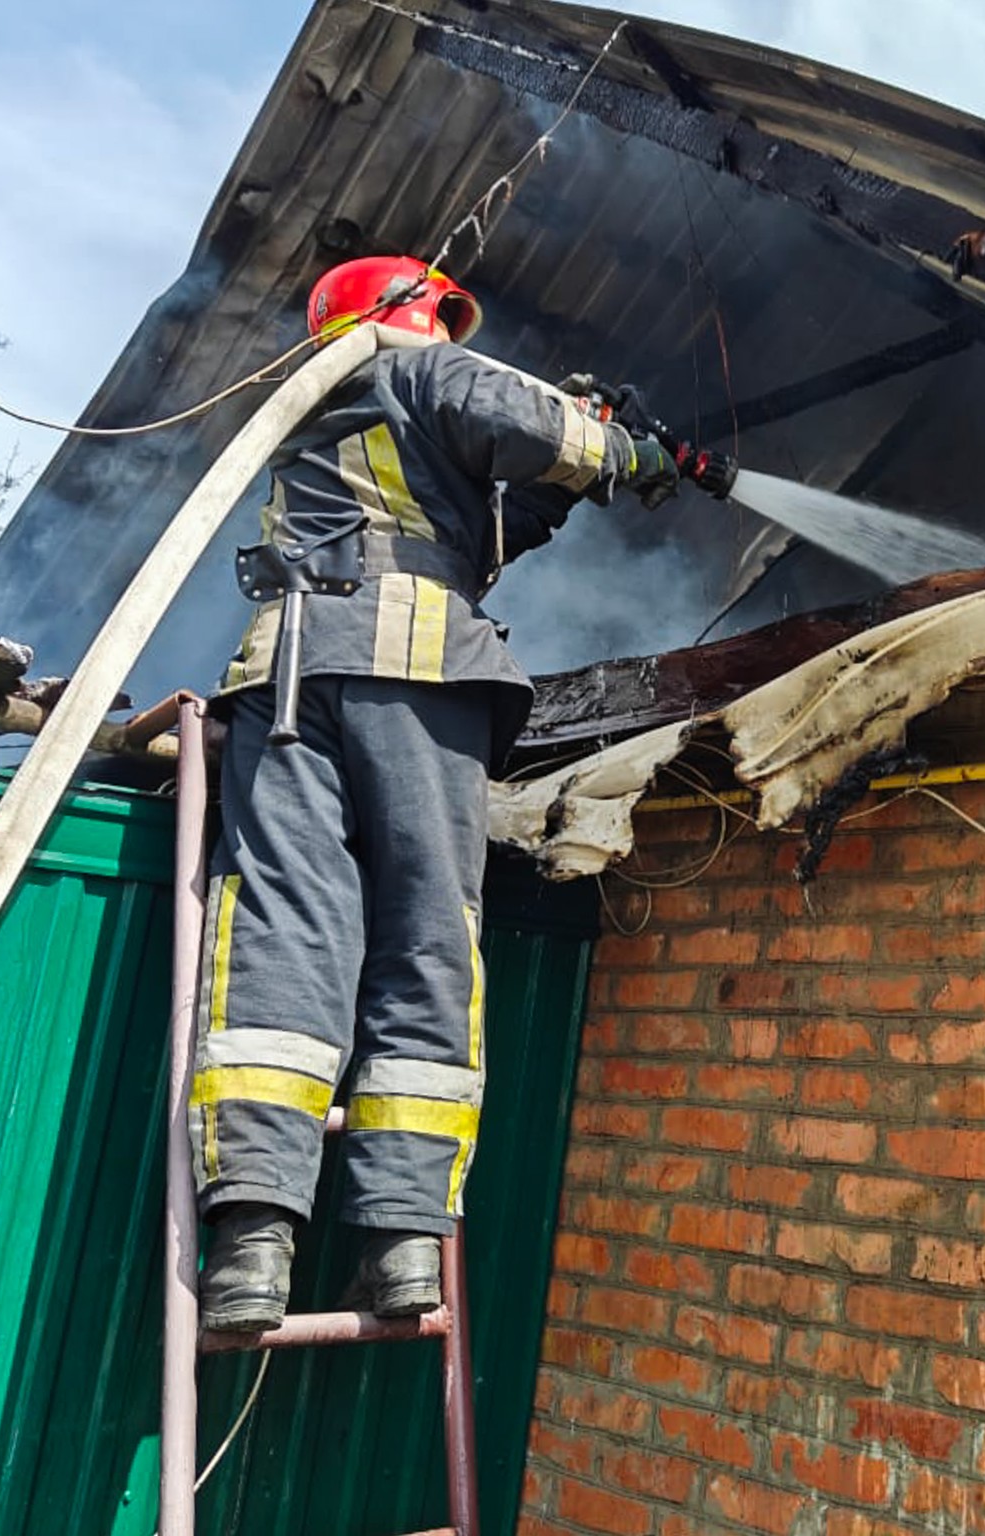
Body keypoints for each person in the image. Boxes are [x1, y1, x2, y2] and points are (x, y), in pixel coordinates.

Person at [188, 255, 678, 1330]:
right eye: (442, 321)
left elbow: (463, 519)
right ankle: (407, 1241)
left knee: (283, 926)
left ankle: (251, 1246)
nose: (453, 336)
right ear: (409, 318)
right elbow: (525, 422)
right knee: (426, 931)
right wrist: (616, 446)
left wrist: (562, 487)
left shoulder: (320, 417)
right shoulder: (413, 368)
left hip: (284, 681)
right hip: (409, 674)